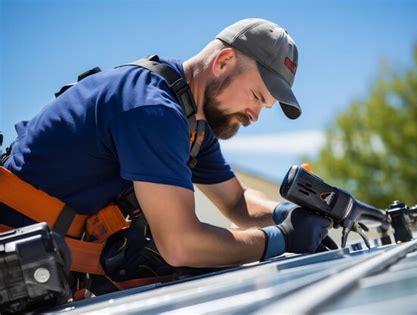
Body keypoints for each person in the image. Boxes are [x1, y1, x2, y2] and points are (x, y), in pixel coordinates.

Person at [0, 18, 332, 281]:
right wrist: (279, 240)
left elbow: (235, 201)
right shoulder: (152, 109)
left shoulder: (193, 121)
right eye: (257, 97)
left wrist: (287, 214)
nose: (256, 116)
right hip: (14, 266)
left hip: (43, 264)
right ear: (224, 61)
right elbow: (180, 244)